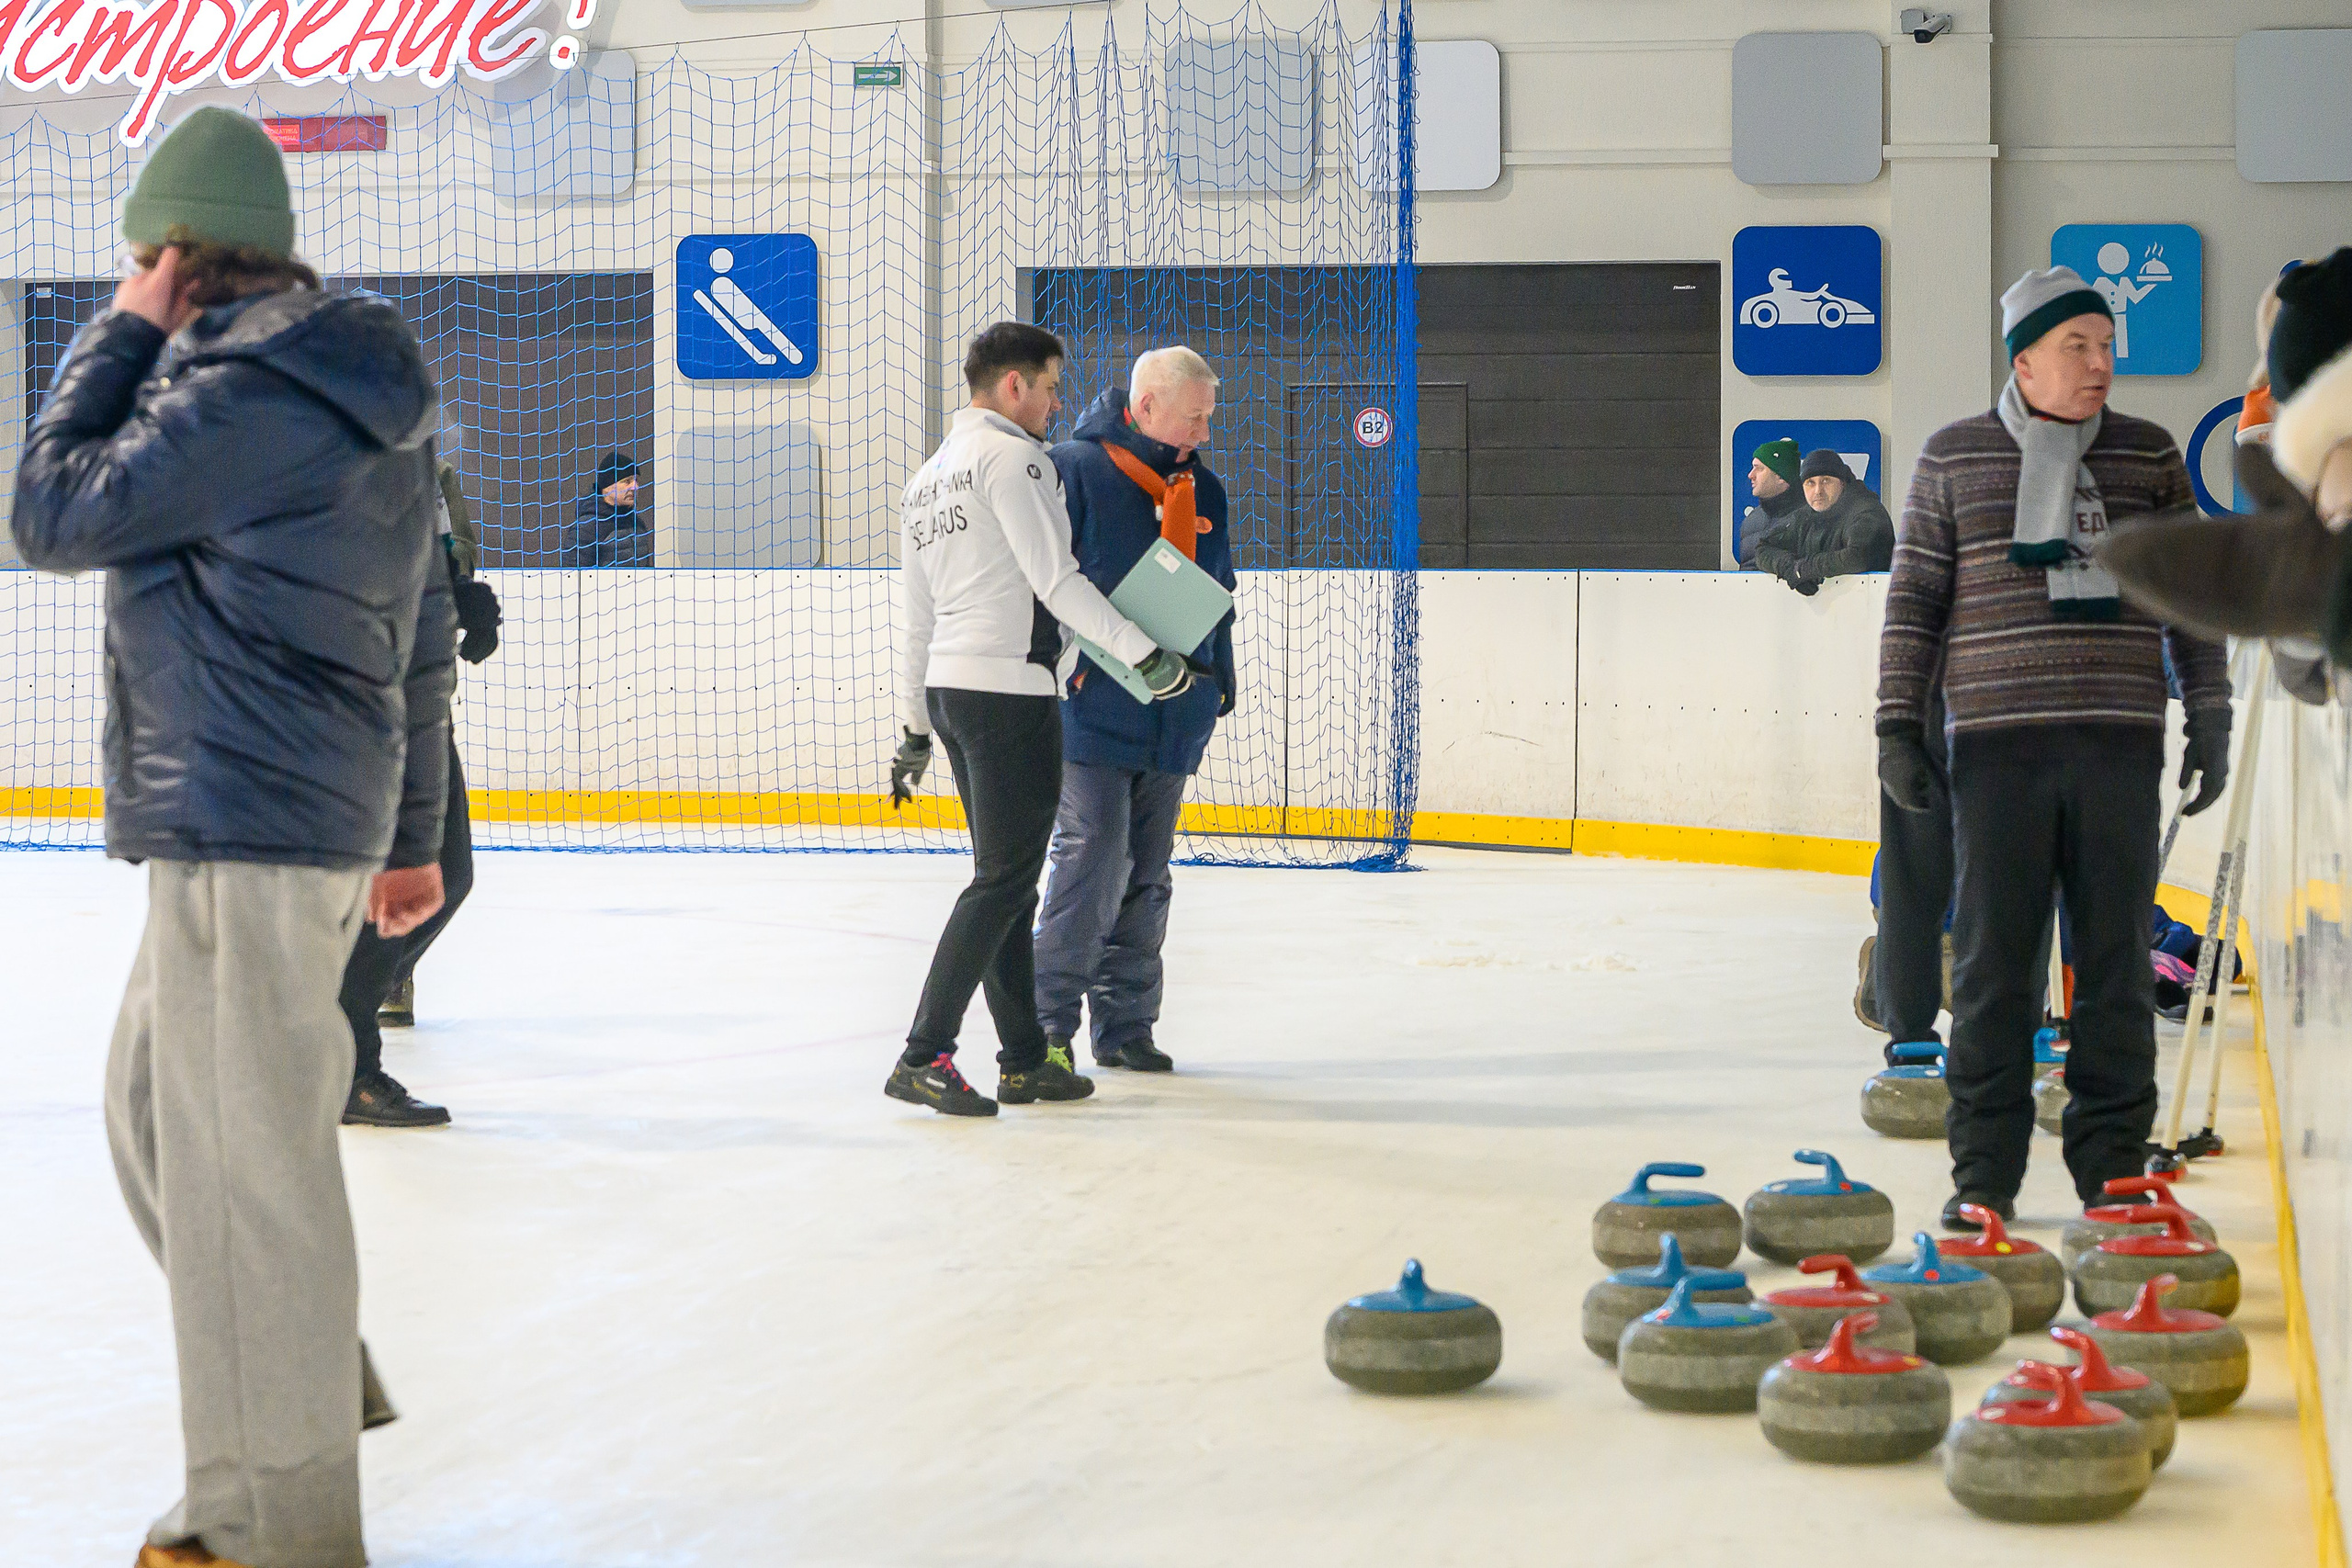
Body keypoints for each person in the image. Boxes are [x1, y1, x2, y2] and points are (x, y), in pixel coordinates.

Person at [8, 107, 453, 1568]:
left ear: (180, 259)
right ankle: (304, 1397)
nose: (131, 277)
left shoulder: (244, 391)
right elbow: (422, 629)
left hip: (245, 814)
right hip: (271, 813)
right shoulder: (341, 385)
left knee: (241, 1175)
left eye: (144, 258)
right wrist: (407, 829)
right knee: (159, 1118)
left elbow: (48, 509)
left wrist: (115, 336)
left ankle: (271, 1525)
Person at [1876, 265, 2233, 1233]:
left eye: (2107, 346)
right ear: (2023, 357)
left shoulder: (2148, 454)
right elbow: (1913, 601)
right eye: (2077, 345)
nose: (2099, 363)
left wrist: (2210, 711)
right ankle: (1983, 1176)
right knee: (1996, 967)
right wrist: (1895, 726)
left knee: (2112, 964)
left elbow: (2188, 598)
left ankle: (2111, 1166)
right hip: (1998, 749)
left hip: (2120, 743)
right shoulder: (1954, 458)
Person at [885, 322, 1206, 1117]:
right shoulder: (1012, 459)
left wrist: (915, 728)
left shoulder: (928, 478)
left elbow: (915, 618)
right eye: (1053, 387)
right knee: (1001, 881)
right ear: (1013, 386)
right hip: (1008, 696)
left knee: (1009, 881)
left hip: (954, 696)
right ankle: (923, 1053)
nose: (1060, 404)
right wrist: (1146, 657)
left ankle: (1026, 1058)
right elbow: (1057, 580)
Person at [1033, 347, 1238, 1074]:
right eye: (1195, 417)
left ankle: (1125, 1027)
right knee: (1092, 860)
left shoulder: (1204, 489)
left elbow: (1219, 592)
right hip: (1091, 712)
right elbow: (1046, 586)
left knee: (1148, 875)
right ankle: (1046, 1031)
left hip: (1176, 713)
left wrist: (1222, 678)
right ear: (1147, 406)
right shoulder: (1072, 472)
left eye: (1209, 417)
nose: (1204, 432)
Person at [341, 458, 503, 1129]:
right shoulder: (324, 457)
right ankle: (345, 1062)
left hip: (422, 696)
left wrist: (458, 595)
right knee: (401, 880)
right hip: (362, 702)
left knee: (449, 875)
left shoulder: (421, 466)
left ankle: (337, 1017)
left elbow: (438, 551)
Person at [1753, 449, 1896, 594]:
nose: (1818, 491)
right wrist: (1790, 568)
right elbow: (1763, 548)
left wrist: (1806, 569)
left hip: (1868, 606)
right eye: (1810, 483)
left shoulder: (1867, 512)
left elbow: (1858, 557)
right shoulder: (1804, 517)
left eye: (1826, 481)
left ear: (1842, 483)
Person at [1735, 436, 1805, 566]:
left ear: (1781, 476)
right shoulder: (1751, 521)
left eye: (1759, 468)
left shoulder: (1811, 519)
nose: (1751, 475)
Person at [571, 449, 649, 566]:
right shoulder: (588, 527)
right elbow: (572, 576)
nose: (635, 487)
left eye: (636, 480)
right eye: (627, 481)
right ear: (607, 487)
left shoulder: (637, 523)